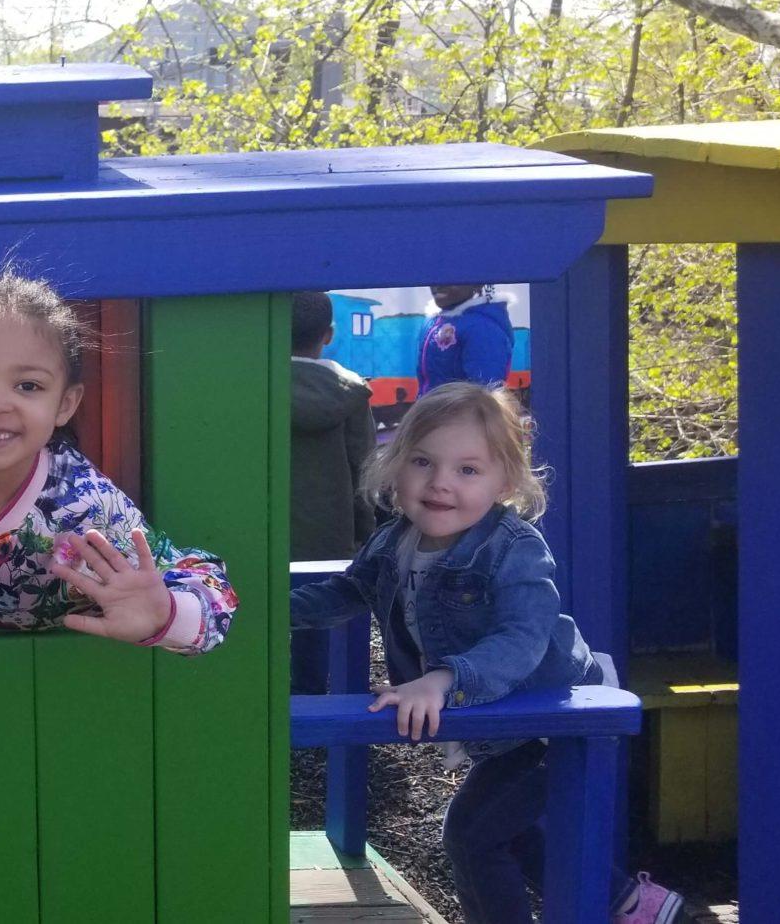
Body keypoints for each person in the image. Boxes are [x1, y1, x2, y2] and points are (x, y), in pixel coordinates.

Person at [289, 383, 681, 924]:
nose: (441, 483)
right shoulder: (393, 541)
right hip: (500, 725)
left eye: (467, 470)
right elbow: (344, 594)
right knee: (503, 832)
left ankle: (627, 905)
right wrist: (253, 608)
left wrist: (444, 679)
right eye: (423, 461)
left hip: (548, 720)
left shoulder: (513, 548)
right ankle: (639, 906)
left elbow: (522, 639)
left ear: (505, 483)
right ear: (394, 466)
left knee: (472, 837)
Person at [0, 271, 237, 650]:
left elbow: (213, 589)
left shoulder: (85, 504)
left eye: (28, 386)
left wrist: (164, 613)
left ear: (65, 404)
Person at [289, 291, 377, 694]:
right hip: (329, 535)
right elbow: (365, 470)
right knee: (318, 619)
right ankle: (310, 698)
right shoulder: (349, 393)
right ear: (328, 334)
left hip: (260, 533)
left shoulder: (250, 388)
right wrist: (365, 534)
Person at [418, 284, 514, 395]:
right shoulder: (433, 321)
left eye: (450, 276)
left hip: (458, 411)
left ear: (477, 284)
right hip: (436, 409)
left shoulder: (482, 328)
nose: (438, 284)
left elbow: (485, 392)